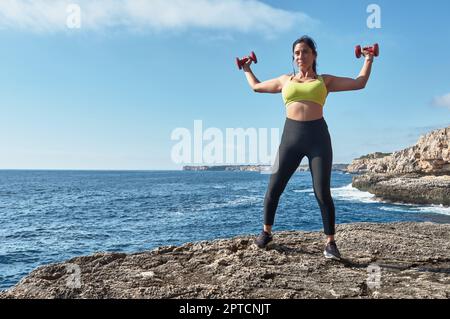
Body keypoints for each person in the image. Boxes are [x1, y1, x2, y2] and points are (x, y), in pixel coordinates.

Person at [242, 35, 374, 260]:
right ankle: (266, 232)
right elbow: (255, 87)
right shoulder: (286, 80)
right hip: (290, 139)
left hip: (318, 139)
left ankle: (330, 243)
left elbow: (359, 82)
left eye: (304, 52)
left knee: (322, 192)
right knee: (274, 188)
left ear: (314, 55)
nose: (300, 56)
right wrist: (246, 68)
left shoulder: (325, 81)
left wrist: (369, 59)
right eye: (296, 53)